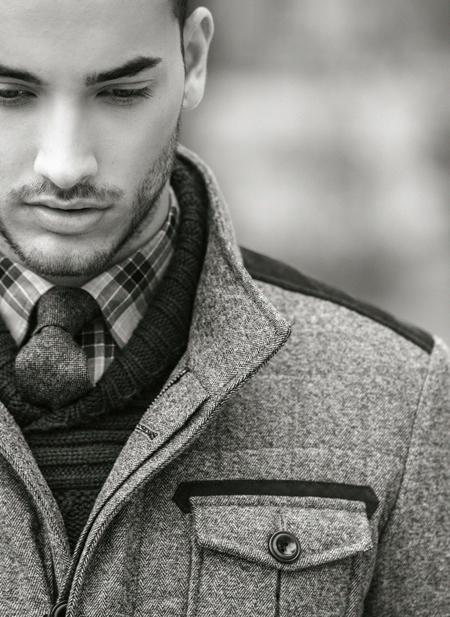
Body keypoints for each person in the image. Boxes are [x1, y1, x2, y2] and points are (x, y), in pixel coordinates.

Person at [0, 0, 448, 615]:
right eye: (9, 94)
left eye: (122, 93)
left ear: (193, 59)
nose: (65, 165)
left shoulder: (402, 396)